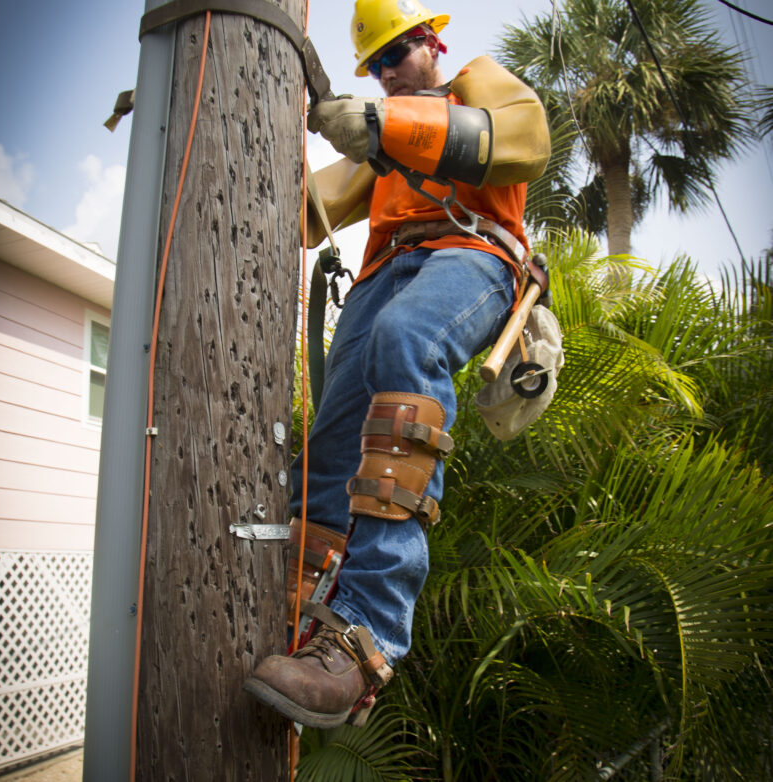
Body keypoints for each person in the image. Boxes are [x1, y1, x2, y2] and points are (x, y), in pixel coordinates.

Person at [244, 0, 550, 729]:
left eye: (396, 56)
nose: (387, 74)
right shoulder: (381, 151)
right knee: (334, 439)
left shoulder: (475, 85)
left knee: (408, 338)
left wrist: (385, 127)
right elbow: (304, 206)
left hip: (473, 256)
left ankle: (367, 630)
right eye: (376, 67)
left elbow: (525, 137)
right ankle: (302, 622)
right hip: (387, 271)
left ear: (430, 44)